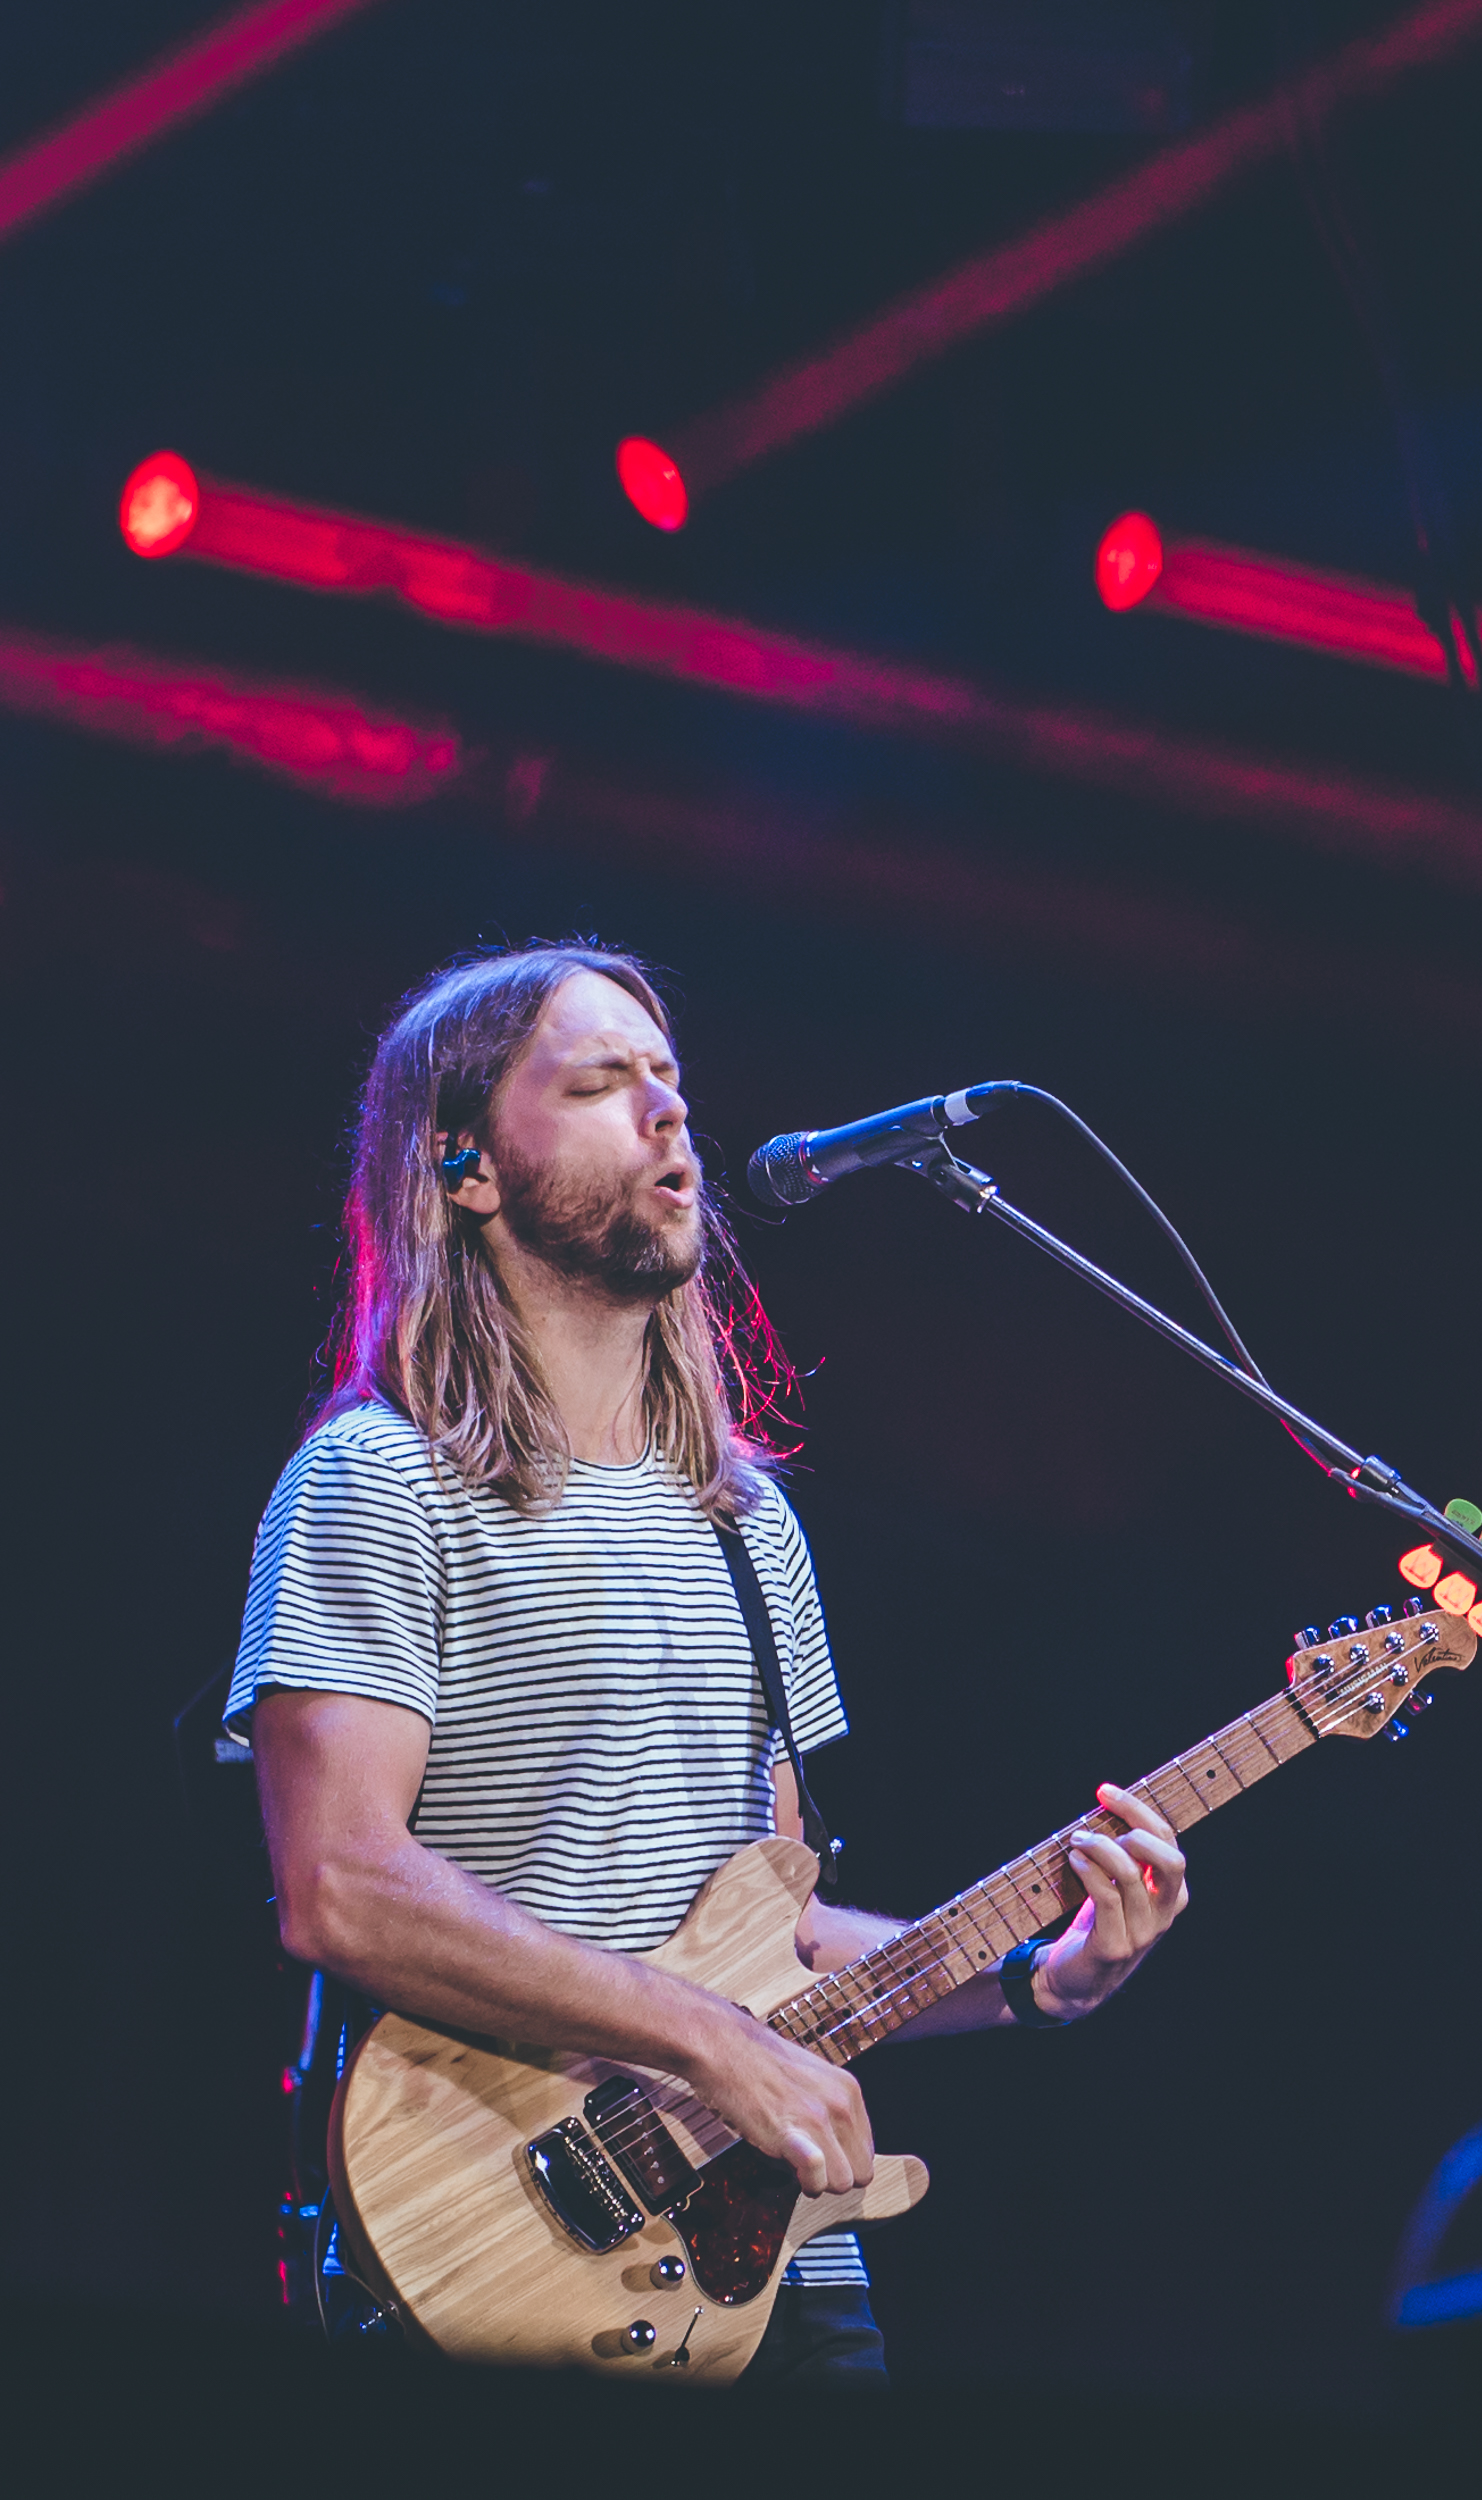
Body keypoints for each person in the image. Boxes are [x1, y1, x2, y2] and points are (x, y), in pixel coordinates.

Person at [230, 942, 1189, 2386]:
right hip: (498, 2238)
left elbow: (775, 1936)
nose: (667, 1112)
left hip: (774, 2255)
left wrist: (1036, 1976)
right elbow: (338, 1885)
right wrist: (698, 2040)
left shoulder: (746, 1521)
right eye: (602, 1083)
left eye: (669, 1080)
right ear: (470, 1168)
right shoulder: (380, 1479)